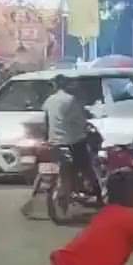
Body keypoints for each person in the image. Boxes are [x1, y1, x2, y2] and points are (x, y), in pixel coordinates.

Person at [43, 75, 101, 203]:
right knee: (86, 167)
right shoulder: (71, 100)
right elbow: (80, 120)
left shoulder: (49, 100)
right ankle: (97, 194)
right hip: (72, 141)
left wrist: (47, 137)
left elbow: (46, 121)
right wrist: (86, 127)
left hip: (54, 142)